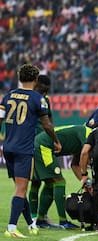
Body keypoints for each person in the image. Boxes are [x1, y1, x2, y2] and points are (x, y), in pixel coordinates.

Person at [0, 64, 61, 238]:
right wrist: (56, 141)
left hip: (8, 147)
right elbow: (46, 124)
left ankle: (30, 224)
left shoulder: (8, 95)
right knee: (21, 188)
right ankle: (11, 228)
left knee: (21, 188)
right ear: (35, 80)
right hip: (24, 149)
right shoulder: (37, 98)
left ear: (20, 78)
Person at [32, 125, 92, 229]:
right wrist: (86, 177)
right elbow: (86, 154)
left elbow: (75, 165)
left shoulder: (86, 139)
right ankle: (63, 222)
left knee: (50, 183)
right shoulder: (87, 133)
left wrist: (85, 180)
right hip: (44, 145)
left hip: (42, 144)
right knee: (59, 181)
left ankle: (41, 220)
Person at [28, 74, 55, 222]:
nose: (44, 93)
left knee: (39, 181)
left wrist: (53, 138)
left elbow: (50, 121)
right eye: (43, 90)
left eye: (47, 91)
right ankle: (38, 217)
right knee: (48, 181)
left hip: (43, 143)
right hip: (34, 143)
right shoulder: (32, 99)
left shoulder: (45, 100)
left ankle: (36, 217)